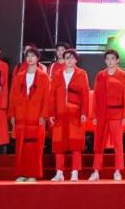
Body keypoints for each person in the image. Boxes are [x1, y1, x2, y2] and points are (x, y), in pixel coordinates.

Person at [89, 49, 125, 181]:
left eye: (113, 59)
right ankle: (96, 171)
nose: (110, 61)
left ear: (117, 60)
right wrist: (94, 115)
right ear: (105, 61)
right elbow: (96, 96)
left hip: (117, 114)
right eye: (108, 59)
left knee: (118, 144)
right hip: (102, 113)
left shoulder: (123, 76)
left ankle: (118, 170)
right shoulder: (100, 75)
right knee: (99, 143)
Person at [9, 47, 49, 182]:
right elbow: (13, 96)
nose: (30, 58)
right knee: (20, 147)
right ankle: (21, 173)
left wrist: (43, 115)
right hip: (21, 116)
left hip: (36, 117)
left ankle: (33, 174)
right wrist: (12, 114)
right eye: (28, 56)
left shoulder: (43, 76)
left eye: (33, 56)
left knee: (34, 148)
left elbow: (47, 98)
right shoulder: (19, 76)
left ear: (37, 58)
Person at [49, 49, 89, 181]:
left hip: (75, 114)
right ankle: (59, 172)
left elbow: (85, 95)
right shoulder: (57, 74)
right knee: (59, 144)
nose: (69, 60)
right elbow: (52, 95)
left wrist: (84, 112)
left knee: (76, 144)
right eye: (67, 58)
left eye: (72, 58)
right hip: (60, 114)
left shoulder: (81, 74)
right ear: (63, 60)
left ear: (76, 60)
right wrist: (51, 113)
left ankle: (75, 172)